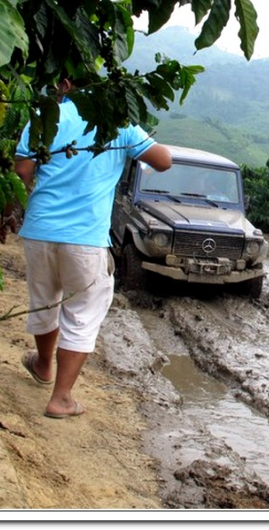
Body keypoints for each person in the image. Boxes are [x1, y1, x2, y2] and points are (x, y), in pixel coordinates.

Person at [13, 76, 172, 419]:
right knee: (83, 312)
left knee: (44, 301)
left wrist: (11, 210)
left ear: (66, 84)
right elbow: (163, 161)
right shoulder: (120, 125)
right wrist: (131, 133)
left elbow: (23, 170)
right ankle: (62, 399)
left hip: (39, 230)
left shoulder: (44, 118)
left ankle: (43, 365)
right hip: (85, 237)